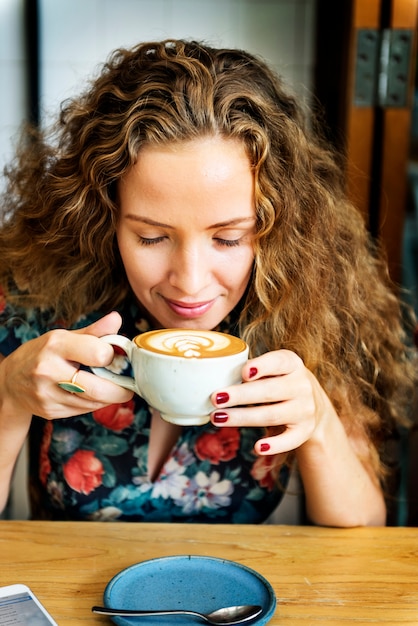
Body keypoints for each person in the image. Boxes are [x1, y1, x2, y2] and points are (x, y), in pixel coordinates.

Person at [0, 39, 414, 525]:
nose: (190, 284)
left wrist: (319, 422)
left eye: (229, 239)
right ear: (104, 217)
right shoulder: (38, 293)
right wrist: (8, 395)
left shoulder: (313, 303)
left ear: (274, 226)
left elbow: (364, 534)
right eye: (152, 238)